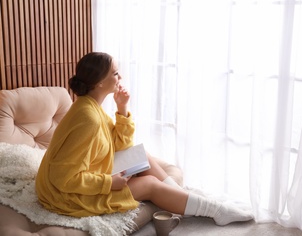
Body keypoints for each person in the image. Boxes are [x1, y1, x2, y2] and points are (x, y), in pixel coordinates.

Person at [35, 52, 253, 226]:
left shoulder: (91, 107)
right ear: (99, 83)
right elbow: (63, 177)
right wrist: (110, 182)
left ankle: (186, 197)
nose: (120, 78)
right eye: (115, 73)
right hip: (63, 196)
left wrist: (122, 108)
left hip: (81, 177)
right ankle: (215, 211)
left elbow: (122, 146)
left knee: (141, 155)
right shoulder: (88, 118)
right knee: (149, 184)